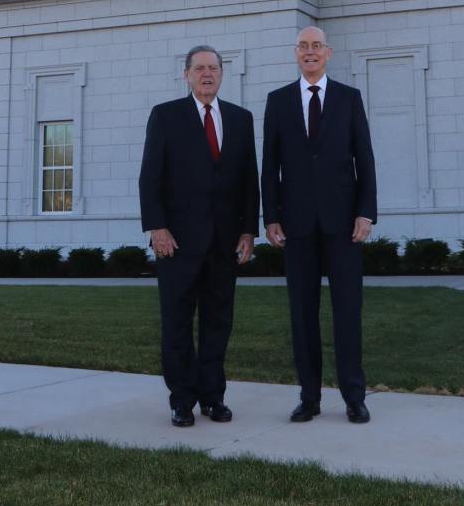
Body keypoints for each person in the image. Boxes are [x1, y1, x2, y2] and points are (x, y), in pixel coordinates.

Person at [139, 46, 259, 427]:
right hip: (176, 243)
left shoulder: (240, 119)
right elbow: (150, 177)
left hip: (224, 243)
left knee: (217, 323)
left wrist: (248, 230)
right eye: (200, 68)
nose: (207, 74)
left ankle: (213, 397)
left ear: (222, 74)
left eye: (213, 68)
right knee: (177, 324)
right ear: (187, 74)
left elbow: (249, 180)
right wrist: (157, 228)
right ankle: (182, 401)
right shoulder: (166, 116)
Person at [261, 26, 377, 423]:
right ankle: (309, 397)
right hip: (296, 226)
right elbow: (269, 165)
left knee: (348, 312)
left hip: (344, 224)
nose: (309, 52)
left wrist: (366, 212)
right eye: (303, 46)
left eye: (316, 46)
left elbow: (365, 158)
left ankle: (354, 397)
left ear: (328, 53)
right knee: (302, 314)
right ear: (295, 53)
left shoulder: (349, 98)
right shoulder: (278, 101)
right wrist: (271, 217)